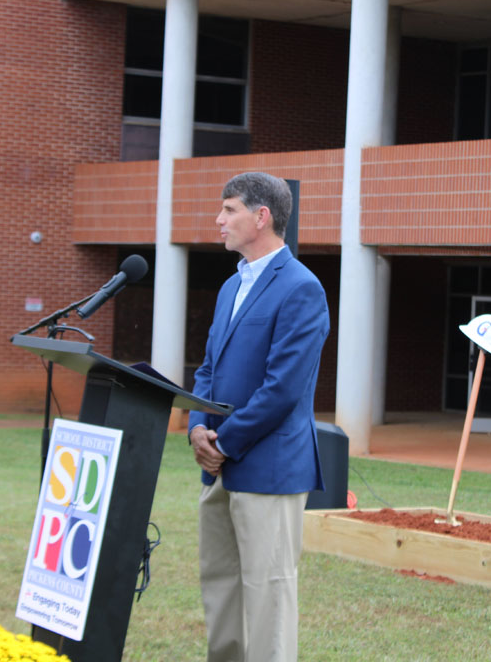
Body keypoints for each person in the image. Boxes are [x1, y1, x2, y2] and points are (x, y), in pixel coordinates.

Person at [188, 171, 330, 662]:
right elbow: (207, 367)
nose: (219, 219)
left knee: (268, 595)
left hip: (267, 468)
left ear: (261, 217)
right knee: (221, 586)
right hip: (218, 466)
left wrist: (224, 444)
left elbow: (282, 390)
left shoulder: (301, 288)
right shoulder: (232, 287)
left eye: (229, 210)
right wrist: (197, 429)